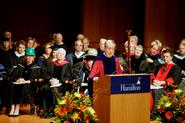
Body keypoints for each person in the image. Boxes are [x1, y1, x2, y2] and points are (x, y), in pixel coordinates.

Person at [9, 48, 41, 116]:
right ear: (25, 57)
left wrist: (26, 81)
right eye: (28, 56)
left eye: (31, 56)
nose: (29, 58)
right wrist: (18, 79)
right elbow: (14, 77)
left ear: (33, 58)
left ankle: (17, 108)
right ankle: (12, 107)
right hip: (19, 83)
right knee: (13, 86)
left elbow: (36, 80)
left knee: (21, 86)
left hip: (30, 86)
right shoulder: (20, 66)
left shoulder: (36, 67)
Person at [150, 49, 181, 115]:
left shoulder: (176, 68)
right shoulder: (160, 66)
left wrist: (161, 83)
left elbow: (174, 80)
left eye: (167, 56)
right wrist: (154, 80)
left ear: (171, 57)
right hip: (156, 85)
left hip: (168, 88)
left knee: (156, 92)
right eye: (163, 56)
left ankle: (155, 113)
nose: (164, 58)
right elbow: (153, 75)